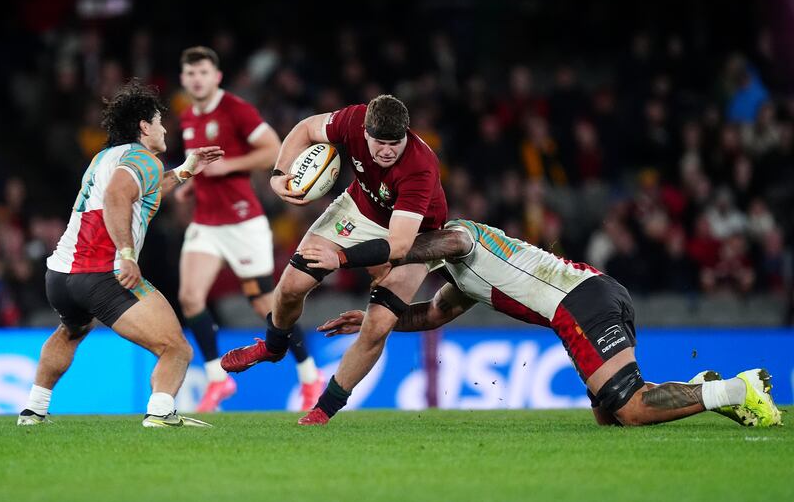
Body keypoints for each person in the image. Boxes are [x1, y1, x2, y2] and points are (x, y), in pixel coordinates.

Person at [311, 219, 783, 427]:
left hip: (578, 304)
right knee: (610, 416)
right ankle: (701, 387)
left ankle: (740, 390)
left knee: (630, 409)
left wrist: (367, 254)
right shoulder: (463, 275)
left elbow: (438, 246)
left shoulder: (461, 236)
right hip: (597, 291)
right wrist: (379, 319)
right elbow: (433, 314)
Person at [221, 95, 448, 425]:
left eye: (394, 143)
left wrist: (338, 258)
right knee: (290, 287)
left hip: (416, 235)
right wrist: (278, 174)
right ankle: (273, 346)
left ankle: (323, 409)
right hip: (358, 210)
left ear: (406, 135)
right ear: (365, 132)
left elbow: (399, 245)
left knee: (378, 325)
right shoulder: (352, 120)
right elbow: (305, 129)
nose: (387, 151)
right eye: (379, 143)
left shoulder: (419, 166)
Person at [18, 80, 223, 428]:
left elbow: (139, 189)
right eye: (159, 122)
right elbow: (117, 197)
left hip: (62, 277)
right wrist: (127, 254)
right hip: (103, 274)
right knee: (177, 349)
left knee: (72, 328)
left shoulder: (106, 158)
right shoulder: (144, 158)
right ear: (144, 126)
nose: (164, 129)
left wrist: (186, 170)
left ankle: (34, 410)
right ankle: (160, 413)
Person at [177, 46, 323, 411]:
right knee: (190, 297)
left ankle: (309, 375)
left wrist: (229, 166)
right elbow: (201, 163)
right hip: (206, 222)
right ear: (184, 79)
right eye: (191, 74)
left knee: (265, 304)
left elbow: (272, 149)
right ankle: (216, 379)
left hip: (243, 221)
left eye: (203, 73)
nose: (197, 79)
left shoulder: (235, 110)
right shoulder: (186, 117)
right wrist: (192, 183)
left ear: (217, 77)